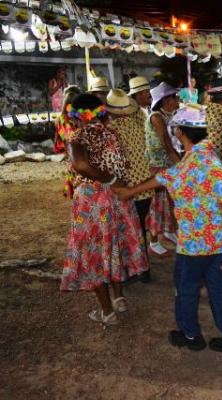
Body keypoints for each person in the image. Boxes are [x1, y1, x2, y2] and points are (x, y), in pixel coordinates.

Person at [113, 105, 222, 354]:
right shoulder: (205, 156)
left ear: (181, 133)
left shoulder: (197, 163)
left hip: (194, 247)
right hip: (219, 244)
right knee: (220, 291)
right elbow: (166, 176)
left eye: (175, 129)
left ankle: (190, 335)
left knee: (186, 291)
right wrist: (130, 191)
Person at [60, 94, 148, 326]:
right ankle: (119, 298)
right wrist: (113, 180)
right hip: (119, 197)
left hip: (92, 200)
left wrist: (107, 180)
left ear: (76, 115)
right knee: (114, 245)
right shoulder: (111, 133)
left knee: (95, 253)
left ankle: (107, 312)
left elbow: (80, 165)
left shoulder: (77, 137)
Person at [106, 89, 155, 264]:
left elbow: (114, 161)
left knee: (130, 229)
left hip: (128, 187)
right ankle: (144, 266)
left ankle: (138, 267)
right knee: (141, 227)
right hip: (145, 183)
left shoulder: (112, 129)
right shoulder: (138, 122)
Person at [144, 82, 180, 261]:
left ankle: (168, 231)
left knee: (170, 201)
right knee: (157, 205)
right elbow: (166, 144)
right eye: (174, 97)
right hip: (158, 166)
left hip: (166, 165)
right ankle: (153, 242)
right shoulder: (157, 118)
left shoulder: (166, 116)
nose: (177, 100)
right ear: (165, 100)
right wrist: (182, 165)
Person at [53, 85, 81, 198]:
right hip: (79, 161)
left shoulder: (62, 119)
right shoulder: (67, 120)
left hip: (73, 161)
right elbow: (72, 139)